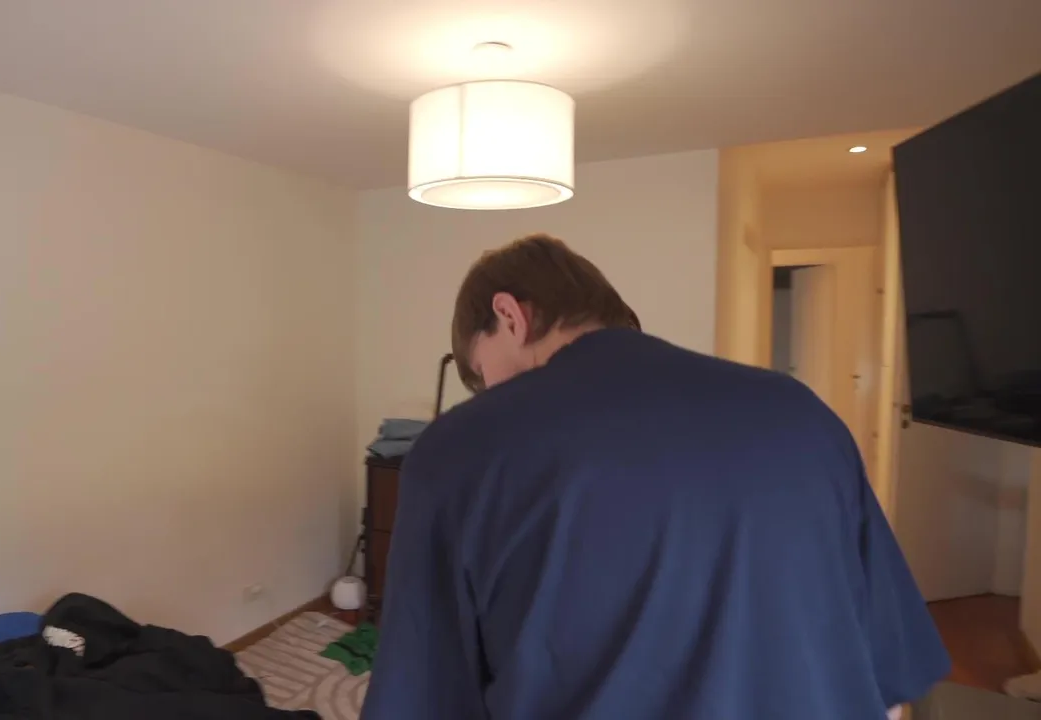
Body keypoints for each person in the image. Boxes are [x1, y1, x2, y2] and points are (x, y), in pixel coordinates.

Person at [360, 234, 948, 720]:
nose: (486, 394)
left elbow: (421, 696)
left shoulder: (463, 447)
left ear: (510, 316)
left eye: (481, 373)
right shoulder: (803, 413)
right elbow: (890, 678)